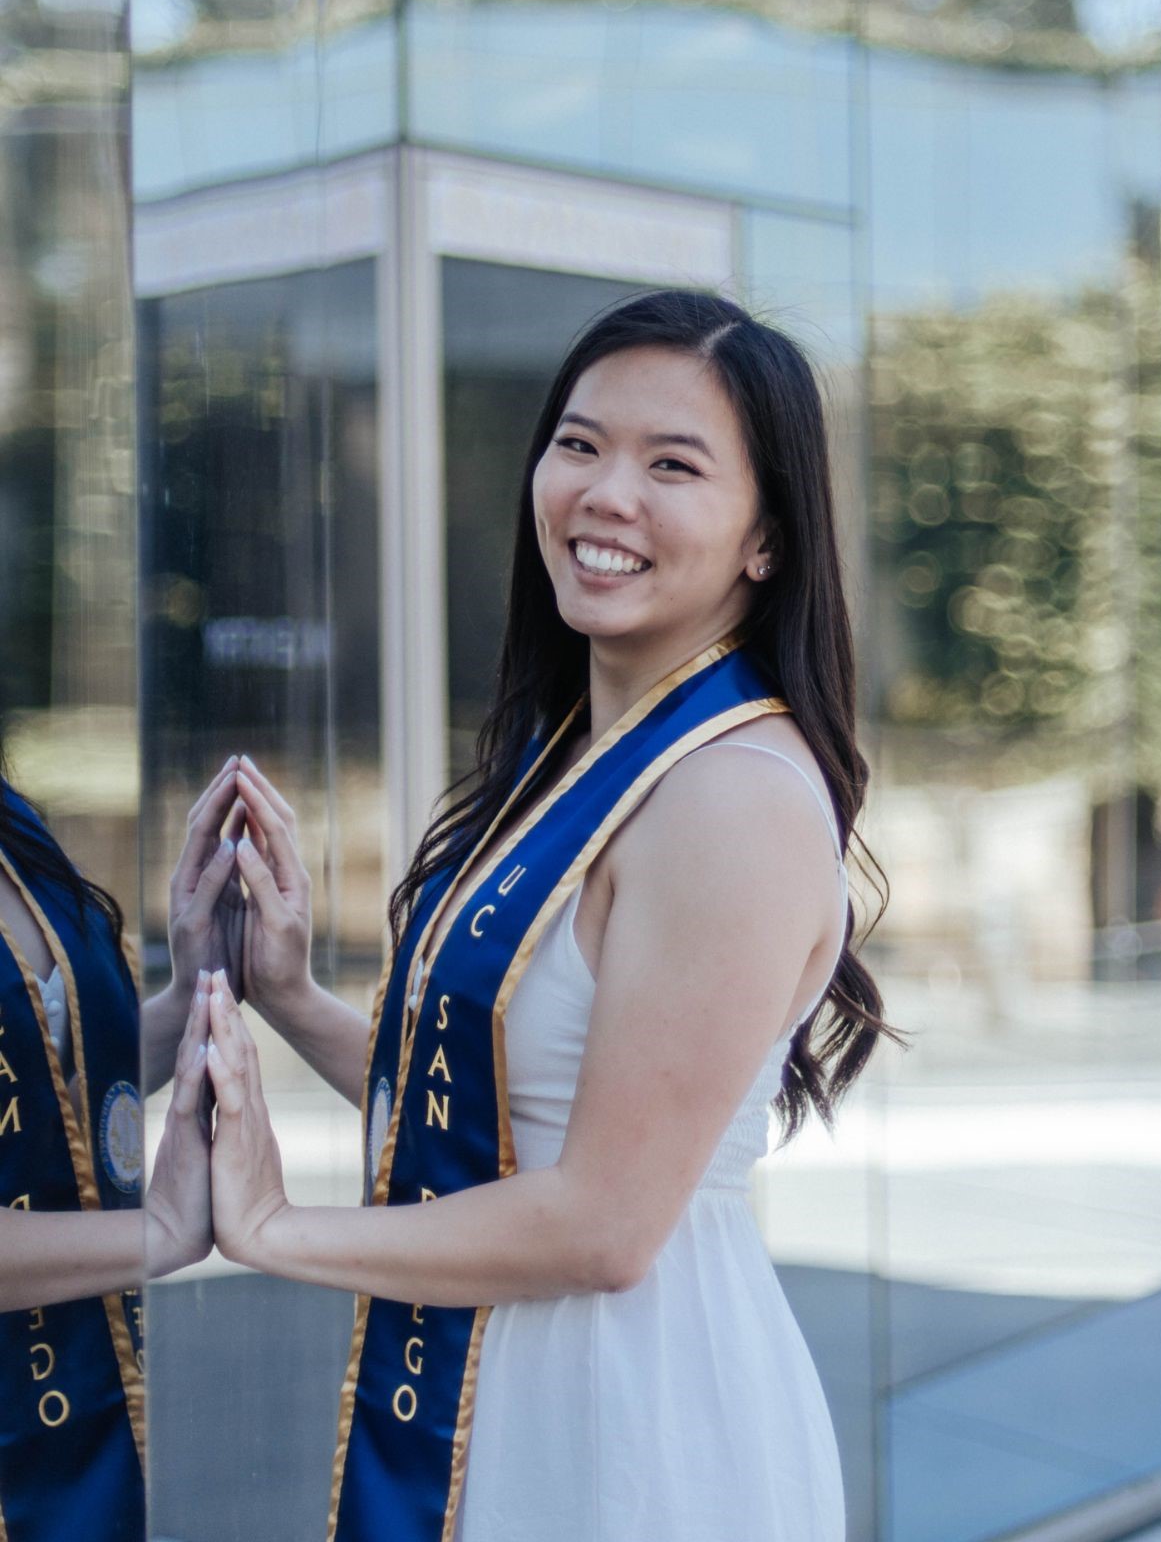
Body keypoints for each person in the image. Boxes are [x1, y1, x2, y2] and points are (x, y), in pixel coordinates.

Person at [195, 288, 900, 1542]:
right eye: (580, 443)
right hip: (517, 1381)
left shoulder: (730, 795)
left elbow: (605, 1223)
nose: (606, 493)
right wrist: (292, 993)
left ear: (767, 540)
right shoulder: (584, 760)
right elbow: (498, 1118)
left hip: (631, 1424)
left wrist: (273, 1229)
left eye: (672, 464)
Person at [0, 747, 246, 1542]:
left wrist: (193, 991)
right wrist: (159, 1231)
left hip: (93, 1431)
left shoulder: (14, 824)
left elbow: (50, 1099)